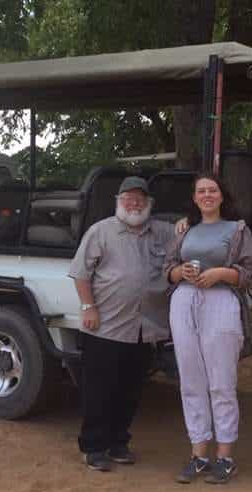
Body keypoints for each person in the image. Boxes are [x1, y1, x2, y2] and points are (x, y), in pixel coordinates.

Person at [69, 176, 176, 472]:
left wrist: (185, 225)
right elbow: (81, 273)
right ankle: (93, 447)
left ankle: (118, 443)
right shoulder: (100, 231)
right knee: (98, 390)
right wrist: (88, 307)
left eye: (140, 198)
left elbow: (191, 233)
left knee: (130, 391)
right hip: (105, 327)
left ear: (149, 204)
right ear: (118, 201)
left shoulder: (163, 232)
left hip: (145, 329)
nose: (134, 203)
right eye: (128, 198)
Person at [164, 172, 252, 485]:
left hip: (221, 302)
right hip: (184, 302)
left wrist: (222, 273)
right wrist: (180, 272)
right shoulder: (184, 229)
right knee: (191, 379)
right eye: (201, 191)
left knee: (221, 382)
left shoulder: (237, 229)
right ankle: (199, 454)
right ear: (194, 198)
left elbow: (251, 274)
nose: (207, 195)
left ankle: (225, 456)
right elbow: (167, 270)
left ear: (221, 196)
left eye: (213, 190)